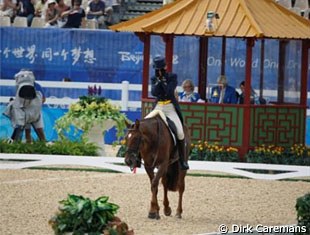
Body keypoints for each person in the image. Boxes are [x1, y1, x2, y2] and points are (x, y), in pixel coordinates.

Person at [145, 55, 189, 170]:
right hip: (159, 106)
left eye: (161, 69)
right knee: (142, 125)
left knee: (180, 132)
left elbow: (169, 92)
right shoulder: (154, 78)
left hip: (169, 107)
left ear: (165, 67)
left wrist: (163, 81)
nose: (159, 71)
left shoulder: (172, 77)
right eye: (157, 69)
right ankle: (139, 157)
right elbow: (154, 92)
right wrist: (158, 81)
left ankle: (183, 161)